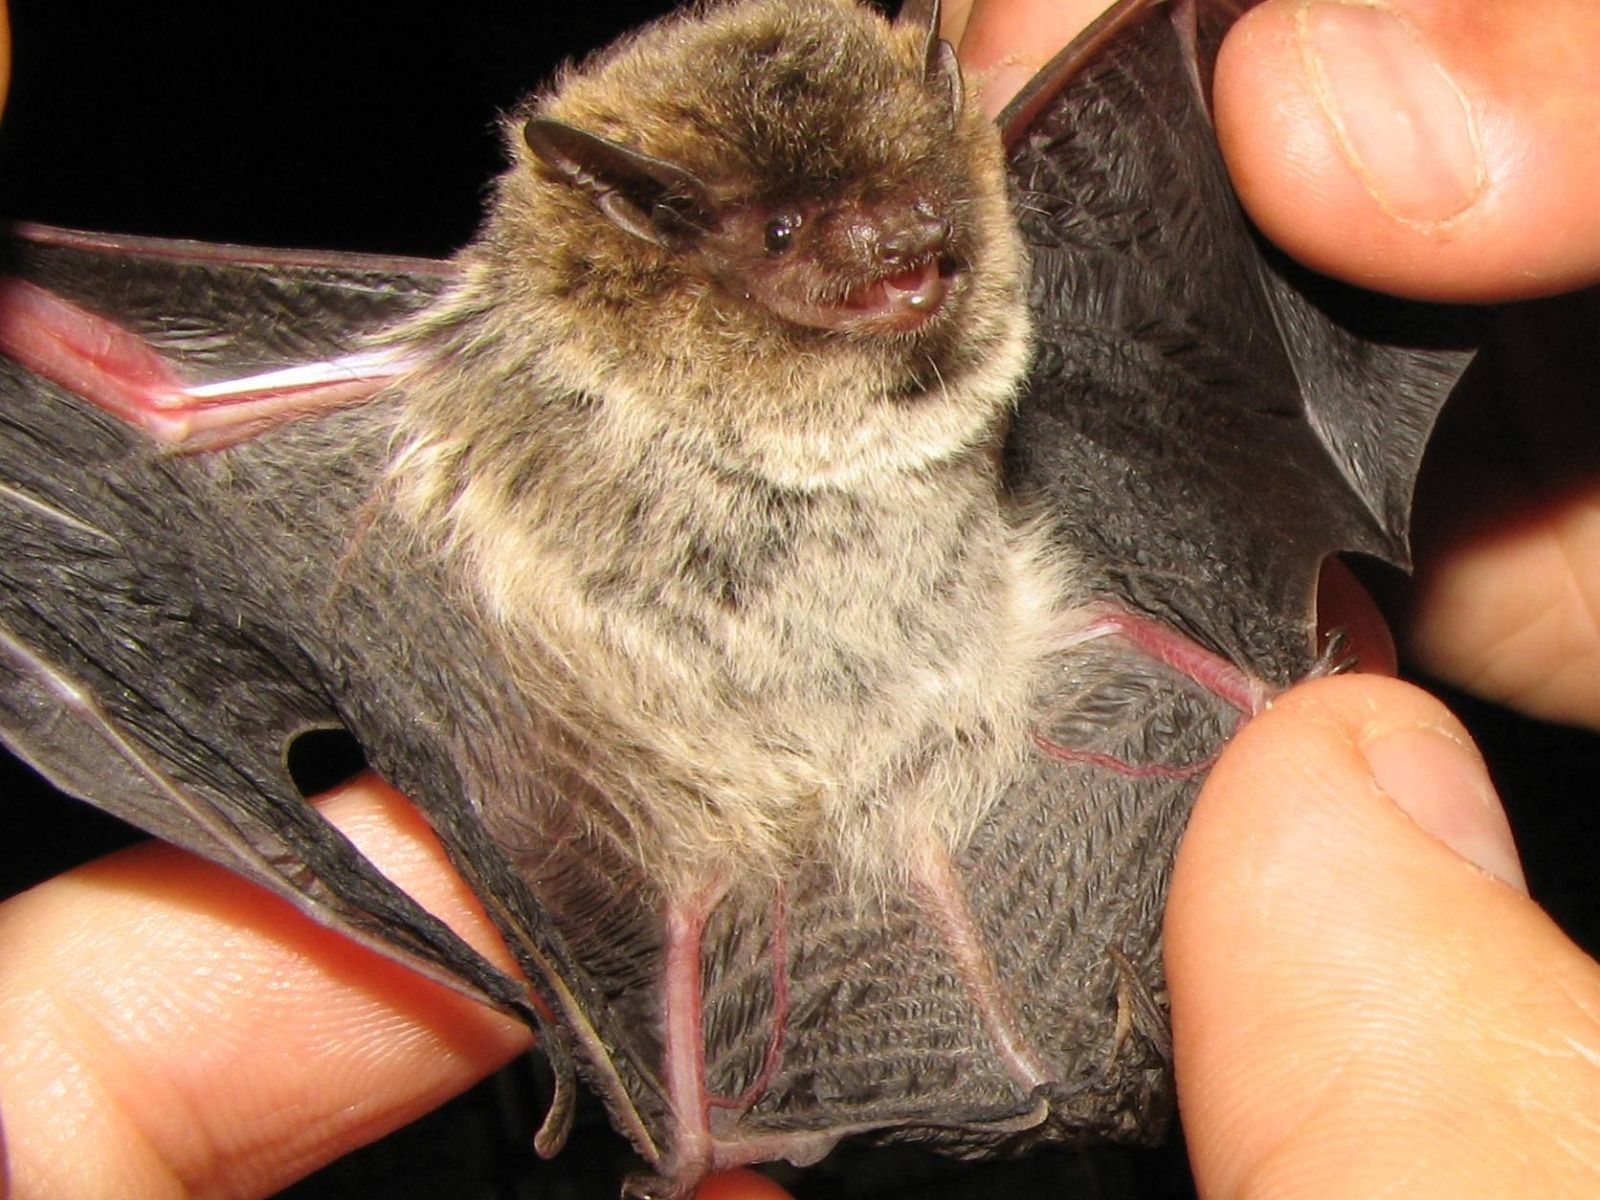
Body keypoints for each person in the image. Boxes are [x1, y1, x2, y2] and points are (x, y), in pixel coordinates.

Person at [3, 1, 1598, 1196]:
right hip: (680, 790)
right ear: (636, 239)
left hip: (997, 683)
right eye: (790, 234)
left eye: (909, 191)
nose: (903, 243)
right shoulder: (407, 406)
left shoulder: (1009, 238)